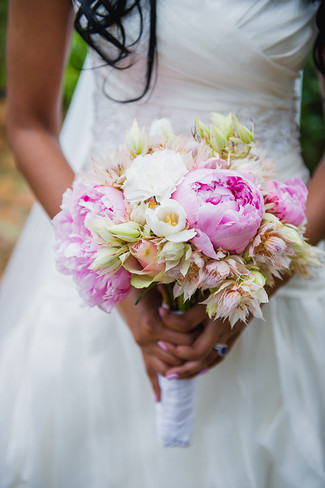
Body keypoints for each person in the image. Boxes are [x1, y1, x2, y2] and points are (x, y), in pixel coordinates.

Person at [1, 0, 325, 486]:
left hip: (280, 268)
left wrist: (255, 285)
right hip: (105, 269)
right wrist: (125, 288)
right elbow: (27, 123)